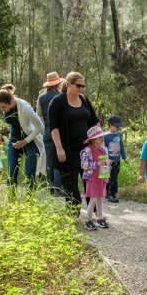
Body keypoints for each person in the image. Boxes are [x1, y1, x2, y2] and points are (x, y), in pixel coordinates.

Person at [48, 72, 100, 207]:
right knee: (70, 184)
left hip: (87, 150)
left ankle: (92, 212)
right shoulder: (58, 102)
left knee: (90, 181)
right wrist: (59, 148)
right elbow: (54, 128)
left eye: (83, 85)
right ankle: (73, 214)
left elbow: (95, 122)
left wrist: (99, 144)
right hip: (67, 150)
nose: (81, 88)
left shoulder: (84, 99)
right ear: (69, 84)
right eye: (78, 85)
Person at [0, 84, 45, 190]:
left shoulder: (25, 108)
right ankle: (11, 200)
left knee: (29, 172)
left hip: (30, 140)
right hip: (14, 140)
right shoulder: (6, 104)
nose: (2, 110)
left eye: (3, 107)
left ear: (11, 102)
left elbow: (40, 126)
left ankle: (30, 201)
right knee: (11, 172)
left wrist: (25, 141)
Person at [37, 72, 64, 194]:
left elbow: (38, 115)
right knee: (58, 159)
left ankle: (51, 188)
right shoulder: (60, 95)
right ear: (57, 84)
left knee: (49, 159)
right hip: (58, 130)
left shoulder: (41, 97)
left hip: (47, 130)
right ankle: (59, 188)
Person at [80, 126, 110, 231]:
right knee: (92, 200)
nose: (102, 139)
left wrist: (106, 176)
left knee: (100, 199)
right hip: (92, 178)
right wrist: (97, 164)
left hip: (101, 178)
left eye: (102, 137)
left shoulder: (103, 150)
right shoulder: (87, 151)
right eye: (99, 137)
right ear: (92, 139)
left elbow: (105, 164)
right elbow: (84, 165)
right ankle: (88, 220)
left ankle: (100, 219)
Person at [104, 115, 127, 203]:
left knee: (114, 175)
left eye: (118, 126)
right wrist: (105, 160)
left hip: (117, 160)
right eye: (116, 126)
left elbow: (121, 145)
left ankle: (107, 192)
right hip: (108, 161)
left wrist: (124, 157)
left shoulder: (118, 134)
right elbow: (102, 149)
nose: (117, 128)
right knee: (110, 177)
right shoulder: (105, 136)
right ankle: (111, 194)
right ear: (110, 125)